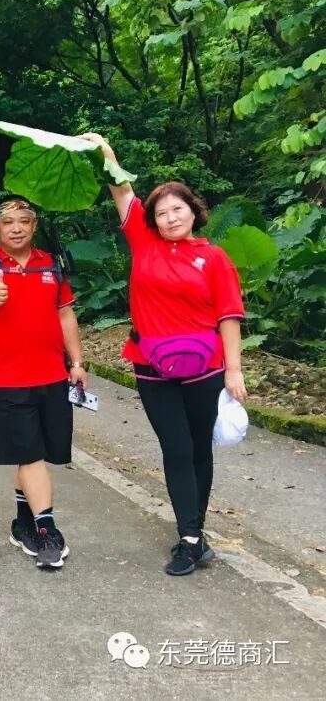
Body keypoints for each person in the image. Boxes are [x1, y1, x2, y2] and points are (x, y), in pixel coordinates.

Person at [80, 133, 248, 577]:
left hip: (205, 368)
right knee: (175, 448)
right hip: (152, 366)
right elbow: (122, 190)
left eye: (178, 209)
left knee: (198, 449)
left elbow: (229, 316)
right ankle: (191, 538)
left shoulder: (214, 258)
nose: (171, 218)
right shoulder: (144, 242)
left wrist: (234, 371)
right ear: (152, 219)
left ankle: (192, 535)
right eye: (162, 212)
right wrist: (107, 153)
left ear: (193, 211)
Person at [0, 197, 86, 570]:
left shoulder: (50, 264)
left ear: (34, 225)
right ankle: (47, 530)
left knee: (38, 452)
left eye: (24, 220)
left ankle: (22, 523)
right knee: (31, 456)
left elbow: (65, 315)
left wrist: (77, 363)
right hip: (7, 379)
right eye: (8, 222)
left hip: (53, 375)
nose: (16, 228)